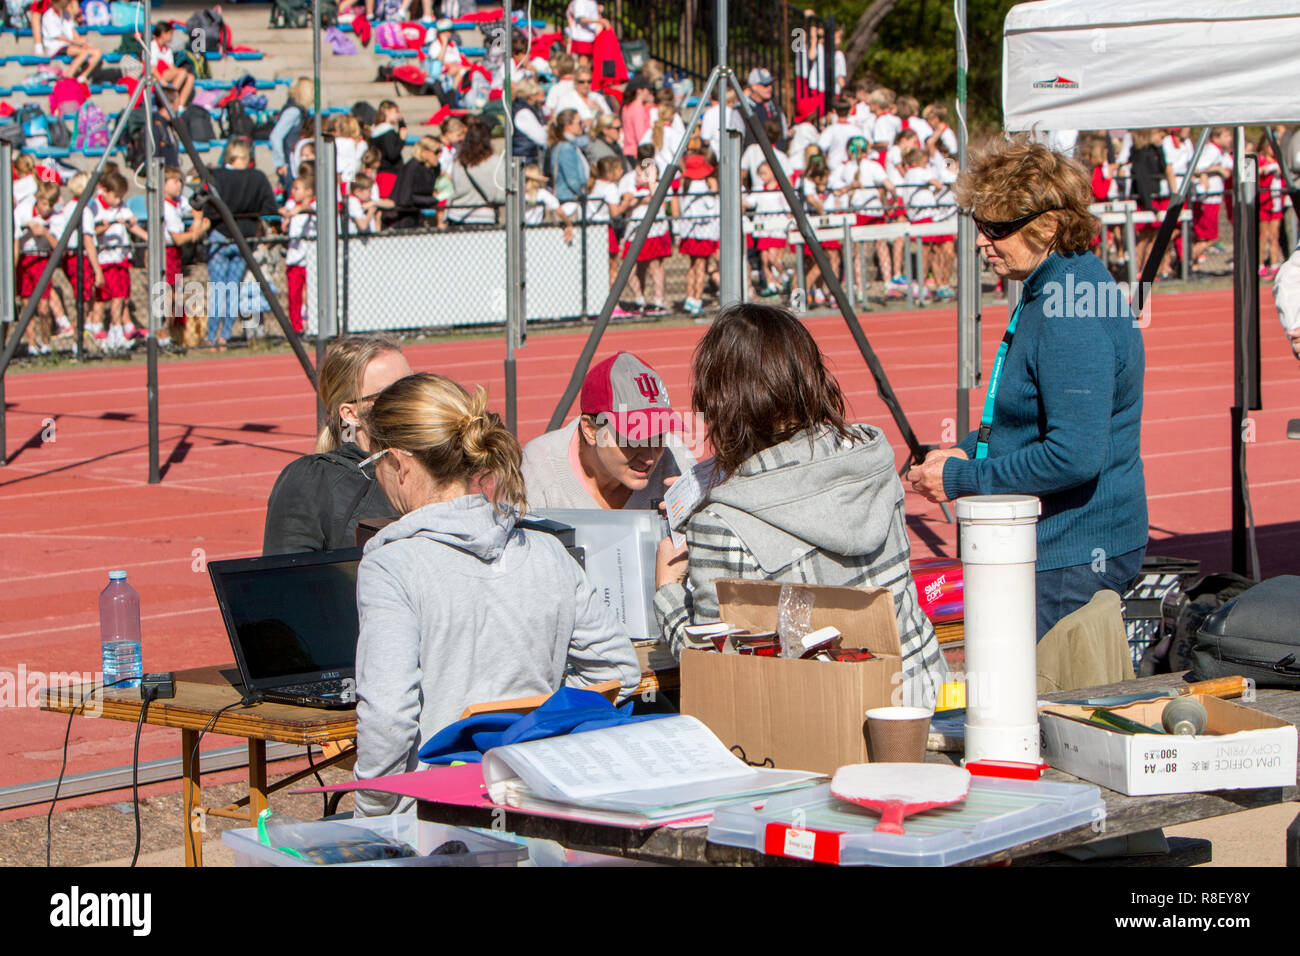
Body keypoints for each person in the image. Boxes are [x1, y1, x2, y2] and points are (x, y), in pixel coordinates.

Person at [351, 373, 642, 816]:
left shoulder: (391, 566)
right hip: (534, 799)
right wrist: (537, 733)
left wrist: (370, 808)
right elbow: (618, 669)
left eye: (373, 464)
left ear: (399, 461)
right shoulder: (545, 548)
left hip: (434, 813)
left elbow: (389, 719)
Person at [906, 138, 1147, 641]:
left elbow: (1074, 455)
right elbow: (1025, 417)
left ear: (1048, 225)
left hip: (1072, 553)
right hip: (1070, 545)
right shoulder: (1059, 285)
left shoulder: (1066, 311)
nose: (981, 241)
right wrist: (961, 449)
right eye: (979, 225)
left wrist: (960, 479)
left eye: (997, 228)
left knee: (1042, 703)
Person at [653, 303, 949, 707]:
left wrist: (668, 591)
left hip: (826, 723)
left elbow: (718, 670)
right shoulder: (871, 458)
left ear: (721, 403)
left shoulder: (721, 525)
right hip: (923, 694)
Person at [263, 334, 412, 555]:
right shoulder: (312, 481)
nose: (413, 399)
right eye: (392, 394)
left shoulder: (434, 465)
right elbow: (284, 579)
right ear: (351, 414)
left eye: (415, 385)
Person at [521, 351, 694, 510]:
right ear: (590, 429)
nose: (649, 457)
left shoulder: (676, 460)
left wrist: (698, 516)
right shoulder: (539, 470)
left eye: (658, 436)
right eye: (633, 439)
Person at [196, 138, 277, 348]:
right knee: (232, 290)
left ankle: (212, 336)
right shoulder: (257, 178)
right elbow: (270, 207)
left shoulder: (217, 176)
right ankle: (224, 336)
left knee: (219, 289)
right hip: (244, 237)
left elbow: (202, 200)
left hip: (221, 235)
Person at [447, 117, 506, 225]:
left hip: (457, 215)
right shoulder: (495, 161)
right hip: (484, 216)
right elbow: (501, 192)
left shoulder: (458, 161)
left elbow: (454, 184)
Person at [386, 135, 444, 230]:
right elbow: (404, 199)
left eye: (441, 151)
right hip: (401, 220)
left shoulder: (432, 169)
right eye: (436, 152)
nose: (440, 155)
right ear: (424, 152)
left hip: (415, 216)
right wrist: (432, 199)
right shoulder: (413, 167)